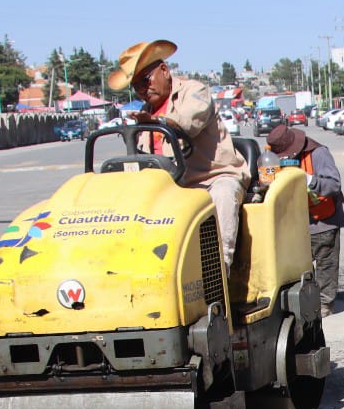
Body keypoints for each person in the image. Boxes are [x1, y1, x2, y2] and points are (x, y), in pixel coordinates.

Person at [107, 39, 252, 254]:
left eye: (145, 81)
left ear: (164, 70)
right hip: (171, 187)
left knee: (224, 194)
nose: (142, 90)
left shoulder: (195, 91)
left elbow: (187, 124)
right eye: (136, 86)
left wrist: (158, 122)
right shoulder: (143, 116)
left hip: (211, 179)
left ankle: (221, 269)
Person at [265, 123, 344, 316]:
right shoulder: (273, 158)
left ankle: (326, 303)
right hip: (296, 224)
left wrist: (310, 180)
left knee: (326, 264)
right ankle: (304, 302)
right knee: (298, 268)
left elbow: (334, 184)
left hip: (323, 220)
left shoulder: (318, 153)